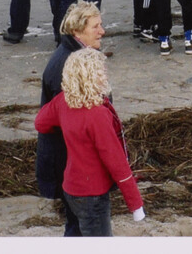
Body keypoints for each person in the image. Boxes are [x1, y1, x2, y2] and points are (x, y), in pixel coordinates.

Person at [33, 47, 146, 236]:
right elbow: (116, 161)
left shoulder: (63, 101)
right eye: (102, 71)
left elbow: (41, 123)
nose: (105, 76)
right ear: (91, 76)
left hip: (70, 187)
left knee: (75, 232)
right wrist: (136, 205)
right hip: (92, 194)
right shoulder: (97, 114)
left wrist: (68, 128)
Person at [35, 2, 108, 237]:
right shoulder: (67, 65)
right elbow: (70, 123)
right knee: (80, 229)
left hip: (72, 167)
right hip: (71, 168)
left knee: (76, 227)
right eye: (96, 26)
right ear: (77, 31)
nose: (102, 31)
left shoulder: (78, 56)